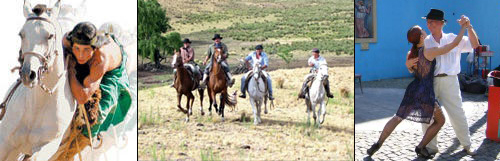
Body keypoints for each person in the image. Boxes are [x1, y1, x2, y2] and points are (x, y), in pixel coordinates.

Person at [367, 18, 469, 159]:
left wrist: (408, 66)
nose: (426, 31)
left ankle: (377, 144)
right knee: (440, 121)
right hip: (425, 91)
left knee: (398, 117)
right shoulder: (428, 51)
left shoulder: (412, 53)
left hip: (413, 88)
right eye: (423, 31)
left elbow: (411, 67)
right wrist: (464, 28)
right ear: (422, 36)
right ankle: (421, 147)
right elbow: (452, 45)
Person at [408, 9, 479, 155]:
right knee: (428, 116)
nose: (429, 24)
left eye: (432, 21)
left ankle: (467, 144)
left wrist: (469, 27)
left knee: (457, 113)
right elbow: (439, 51)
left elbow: (474, 44)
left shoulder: (453, 37)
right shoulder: (427, 41)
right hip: (431, 82)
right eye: (427, 22)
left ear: (441, 23)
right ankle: (431, 147)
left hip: (450, 80)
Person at [63, 22, 132, 142]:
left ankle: (86, 141)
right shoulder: (67, 40)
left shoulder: (101, 59)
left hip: (113, 72)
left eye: (86, 50)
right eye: (77, 48)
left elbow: (82, 97)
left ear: (94, 48)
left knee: (98, 114)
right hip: (91, 60)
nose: (80, 55)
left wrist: (70, 69)